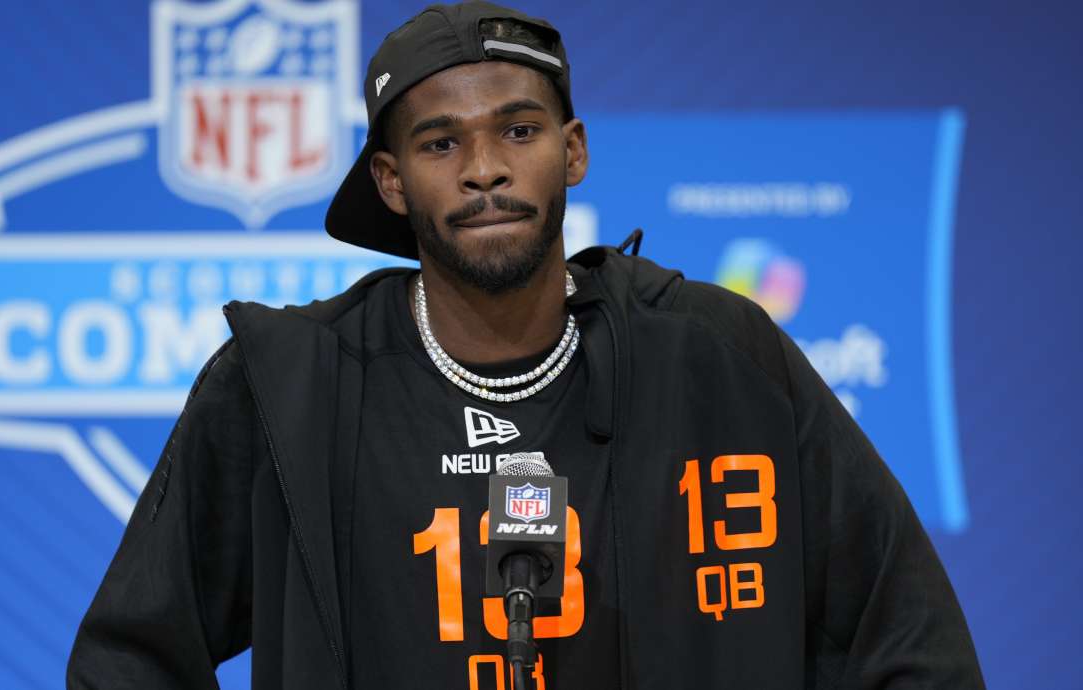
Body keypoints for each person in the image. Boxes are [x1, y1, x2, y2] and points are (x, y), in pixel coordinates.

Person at [67, 2, 985, 688]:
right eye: (439, 143)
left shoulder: (716, 354)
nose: (485, 167)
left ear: (573, 151)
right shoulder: (289, 386)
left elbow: (910, 640)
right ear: (390, 181)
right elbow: (128, 662)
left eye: (518, 129)